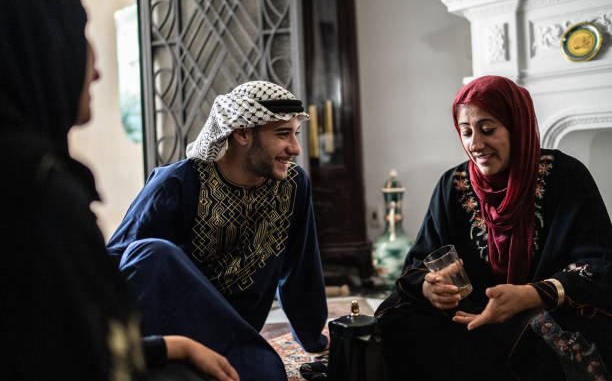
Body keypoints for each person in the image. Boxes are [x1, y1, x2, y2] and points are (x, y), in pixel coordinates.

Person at [0, 0, 239, 380]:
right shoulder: (37, 196)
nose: (94, 69)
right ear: (36, 46)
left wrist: (167, 346)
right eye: (78, 34)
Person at [375, 75, 612, 381]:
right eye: (466, 132)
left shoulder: (565, 177)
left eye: (488, 129)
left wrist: (532, 295)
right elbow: (420, 263)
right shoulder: (452, 185)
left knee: (554, 336)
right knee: (397, 320)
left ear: (517, 127)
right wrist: (430, 287)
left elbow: (601, 265)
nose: (475, 143)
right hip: (470, 313)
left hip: (543, 310)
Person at [106, 80, 329, 380]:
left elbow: (301, 266)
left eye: (296, 134)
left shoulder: (293, 185)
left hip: (232, 332)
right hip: (172, 330)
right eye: (282, 134)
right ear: (242, 133)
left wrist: (314, 339)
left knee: (267, 373)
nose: (295, 148)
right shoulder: (176, 184)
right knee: (154, 252)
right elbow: (123, 261)